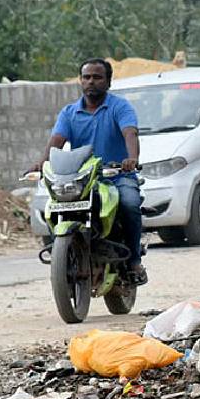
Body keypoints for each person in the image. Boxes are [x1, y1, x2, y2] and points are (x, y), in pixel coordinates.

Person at [34, 58, 146, 285]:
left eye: (97, 77)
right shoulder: (69, 112)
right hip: (83, 179)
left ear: (108, 81)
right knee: (53, 206)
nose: (91, 82)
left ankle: (134, 260)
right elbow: (56, 140)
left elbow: (130, 133)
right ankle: (62, 252)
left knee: (130, 204)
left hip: (116, 177)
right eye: (86, 77)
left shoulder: (119, 107)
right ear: (80, 81)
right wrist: (42, 163)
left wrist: (131, 159)